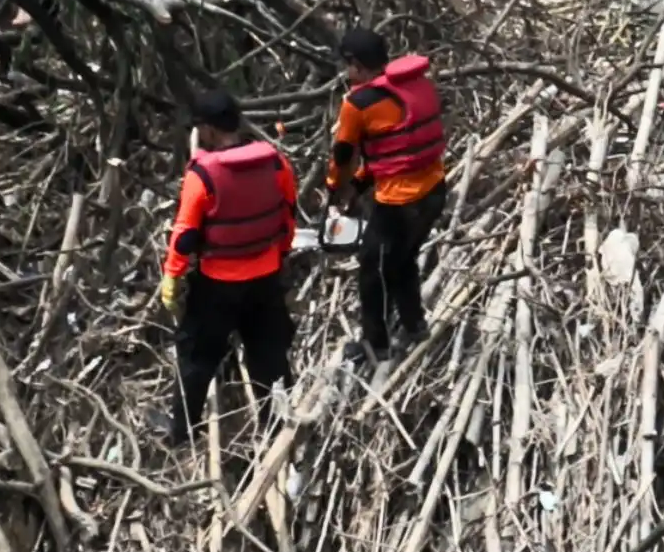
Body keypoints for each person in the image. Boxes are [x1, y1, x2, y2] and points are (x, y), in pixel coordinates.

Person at [158, 90, 299, 445]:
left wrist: (172, 278)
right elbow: (288, 216)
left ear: (206, 130)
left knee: (197, 358)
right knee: (269, 355)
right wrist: (279, 256)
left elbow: (186, 235)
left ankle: (183, 432)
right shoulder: (276, 163)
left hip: (218, 285)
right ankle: (277, 425)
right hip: (266, 279)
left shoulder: (202, 176)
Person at [326, 28, 449, 364]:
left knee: (372, 270)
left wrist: (336, 188)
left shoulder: (358, 104)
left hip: (399, 205)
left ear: (356, 65)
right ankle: (415, 325)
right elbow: (399, 150)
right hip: (435, 191)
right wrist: (363, 183)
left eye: (347, 66)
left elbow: (343, 156)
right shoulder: (417, 84)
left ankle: (375, 344)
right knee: (402, 259)